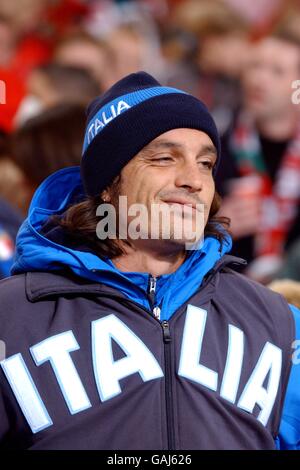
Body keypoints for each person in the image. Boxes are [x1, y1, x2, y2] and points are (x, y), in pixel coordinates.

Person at [0, 71, 299, 450]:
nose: (194, 180)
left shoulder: (276, 319)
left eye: (206, 163)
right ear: (108, 186)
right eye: (163, 158)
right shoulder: (12, 317)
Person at [216, 33, 300, 283]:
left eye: (277, 71)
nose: (260, 79)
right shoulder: (214, 147)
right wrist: (213, 227)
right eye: (255, 65)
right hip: (231, 288)